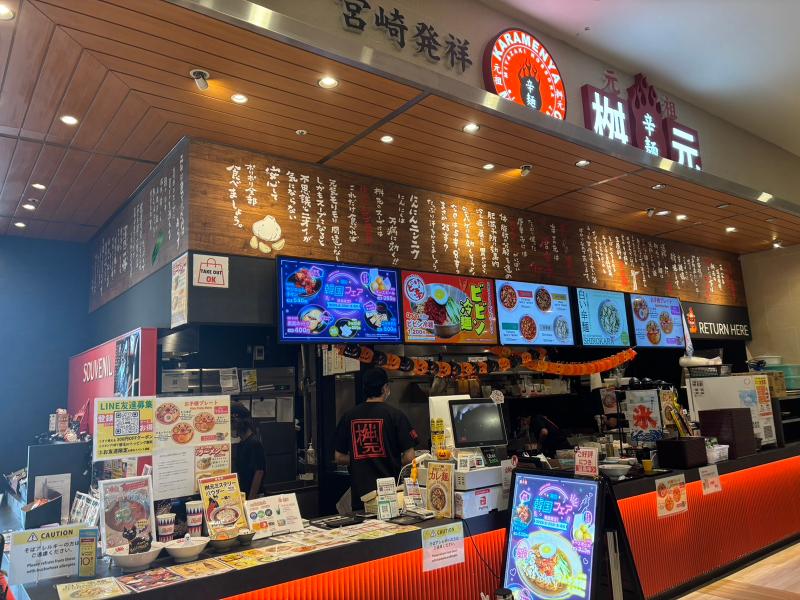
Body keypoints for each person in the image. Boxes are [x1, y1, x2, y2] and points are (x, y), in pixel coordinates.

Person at [335, 367, 418, 510]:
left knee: (362, 523)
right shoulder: (396, 416)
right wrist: (390, 459)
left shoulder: (349, 416)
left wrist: (361, 459)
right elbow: (410, 457)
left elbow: (339, 457)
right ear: (385, 388)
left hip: (360, 498)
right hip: (389, 496)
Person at [231, 402, 266, 499]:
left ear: (242, 423)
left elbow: (259, 472)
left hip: (254, 496)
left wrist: (251, 499)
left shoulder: (254, 443)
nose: (232, 427)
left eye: (233, 423)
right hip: (244, 493)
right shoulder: (241, 443)